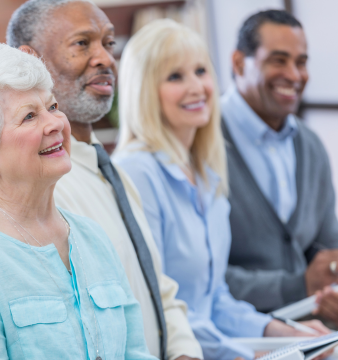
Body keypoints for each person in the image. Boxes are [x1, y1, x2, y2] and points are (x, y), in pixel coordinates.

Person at [0, 1, 203, 359]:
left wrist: (184, 352)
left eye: (108, 44)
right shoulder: (26, 192)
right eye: (82, 44)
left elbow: (158, 290)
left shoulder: (113, 172)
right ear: (29, 60)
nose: (105, 59)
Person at [113, 19, 331, 360]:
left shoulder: (206, 171)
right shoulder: (136, 172)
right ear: (144, 89)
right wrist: (248, 355)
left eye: (200, 70)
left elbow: (215, 300)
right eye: (174, 76)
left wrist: (286, 333)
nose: (196, 87)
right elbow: (160, 309)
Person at [0, 42, 157, 360]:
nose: (55, 124)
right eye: (29, 117)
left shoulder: (92, 236)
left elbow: (135, 351)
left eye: (52, 107)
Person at [222, 10, 338, 322]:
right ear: (238, 63)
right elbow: (195, 280)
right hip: (234, 339)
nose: (295, 74)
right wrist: (296, 286)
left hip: (310, 332)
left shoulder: (311, 145)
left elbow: (326, 246)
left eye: (301, 62)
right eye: (278, 60)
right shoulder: (198, 141)